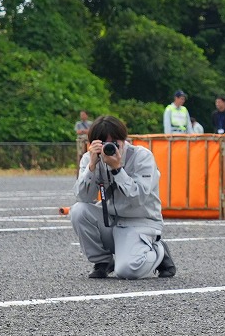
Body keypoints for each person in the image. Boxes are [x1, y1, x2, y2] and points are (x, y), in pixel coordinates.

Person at [69, 115, 175, 280]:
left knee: (127, 271)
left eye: (115, 143)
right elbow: (83, 197)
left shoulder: (142, 157)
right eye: (103, 143)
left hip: (140, 222)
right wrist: (91, 167)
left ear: (124, 140)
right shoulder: (90, 159)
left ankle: (158, 250)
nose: (109, 148)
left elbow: (137, 199)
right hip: (110, 220)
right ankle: (103, 262)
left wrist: (117, 169)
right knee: (78, 211)